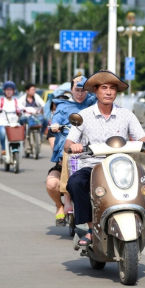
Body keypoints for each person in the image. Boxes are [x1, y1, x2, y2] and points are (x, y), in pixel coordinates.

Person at [65, 70, 145, 246]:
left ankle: (139, 222)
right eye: (104, 88)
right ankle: (92, 229)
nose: (108, 92)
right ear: (96, 91)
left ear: (116, 92)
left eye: (113, 88)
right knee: (75, 183)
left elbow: (142, 138)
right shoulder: (84, 116)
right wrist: (74, 146)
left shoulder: (127, 115)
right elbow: (68, 143)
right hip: (92, 166)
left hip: (121, 167)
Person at [46, 77, 97, 225]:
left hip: (90, 149)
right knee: (68, 157)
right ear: (71, 90)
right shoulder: (63, 106)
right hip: (70, 149)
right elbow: (56, 118)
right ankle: (64, 203)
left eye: (83, 90)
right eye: (77, 90)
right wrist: (55, 124)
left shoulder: (93, 103)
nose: (80, 94)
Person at [0, 81, 33, 156]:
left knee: (20, 133)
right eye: (7, 90)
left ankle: (16, 147)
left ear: (14, 91)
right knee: (3, 133)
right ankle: (4, 149)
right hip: (2, 123)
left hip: (14, 123)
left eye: (11, 90)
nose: (9, 92)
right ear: (4, 91)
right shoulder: (0, 101)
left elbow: (23, 108)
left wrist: (27, 110)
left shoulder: (16, 101)